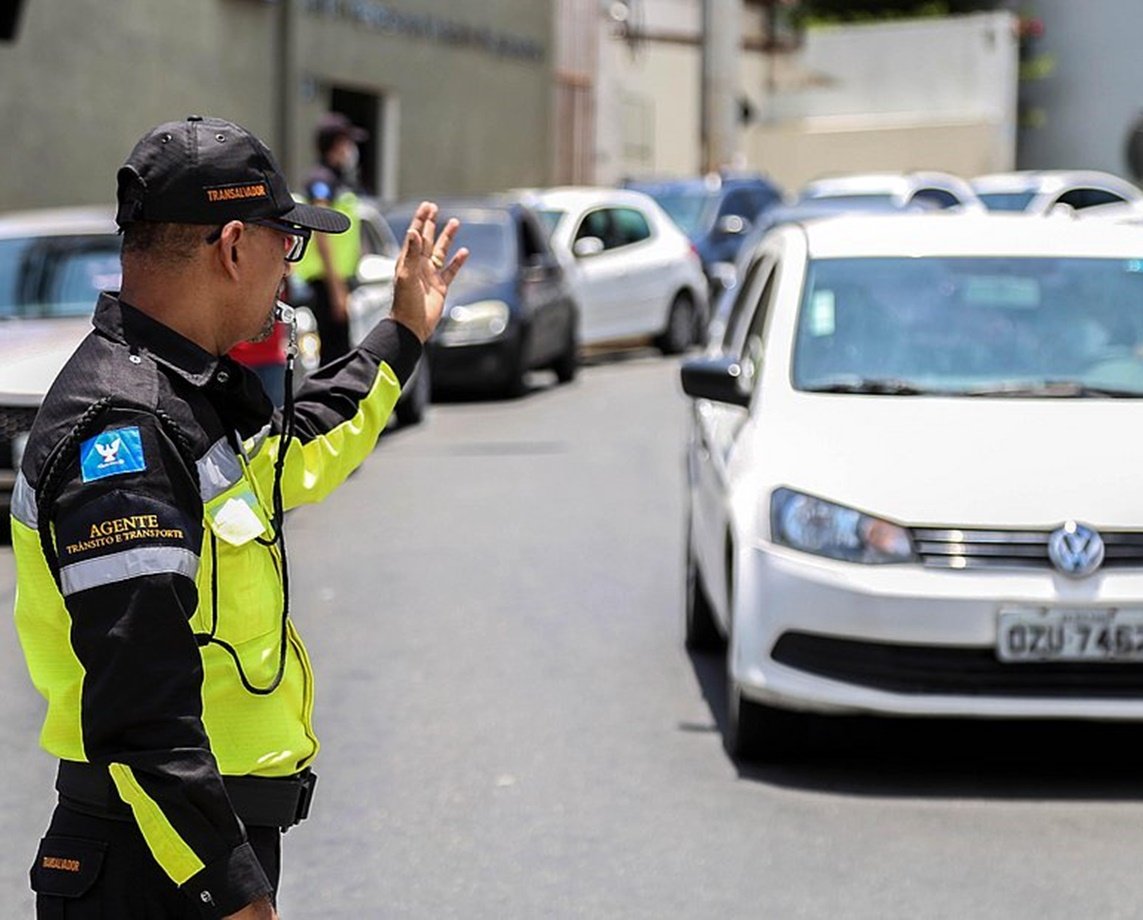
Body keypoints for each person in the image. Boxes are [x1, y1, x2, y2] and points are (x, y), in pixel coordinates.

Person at [9, 115, 466, 919]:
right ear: (231, 246)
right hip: (158, 867)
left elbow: (303, 450)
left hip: (185, 848)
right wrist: (235, 896)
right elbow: (141, 712)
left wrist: (402, 334)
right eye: (282, 244)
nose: (287, 272)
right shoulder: (126, 430)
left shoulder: (180, 396)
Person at [295, 112, 369, 364]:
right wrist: (336, 289)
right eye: (348, 142)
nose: (351, 149)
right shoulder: (321, 180)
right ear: (337, 144)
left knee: (341, 352)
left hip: (336, 281)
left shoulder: (338, 180)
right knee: (333, 358)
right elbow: (322, 233)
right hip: (325, 283)